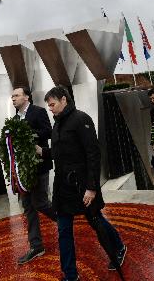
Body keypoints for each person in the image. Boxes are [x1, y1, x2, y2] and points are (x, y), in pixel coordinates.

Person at [37, 86, 126, 281]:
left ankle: (119, 246)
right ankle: (70, 275)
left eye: (52, 104)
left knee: (97, 222)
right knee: (63, 231)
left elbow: (93, 154)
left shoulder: (81, 119)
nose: (50, 109)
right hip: (62, 187)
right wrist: (43, 152)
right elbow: (59, 152)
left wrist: (92, 188)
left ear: (63, 100)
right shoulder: (57, 124)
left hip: (82, 186)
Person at [11, 87, 57, 265]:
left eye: (16, 95)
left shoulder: (38, 111)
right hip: (24, 170)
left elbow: (48, 131)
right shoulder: (15, 118)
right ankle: (36, 246)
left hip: (39, 166)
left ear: (26, 97)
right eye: (12, 97)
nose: (13, 99)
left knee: (41, 203)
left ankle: (62, 220)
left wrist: (27, 136)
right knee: (28, 206)